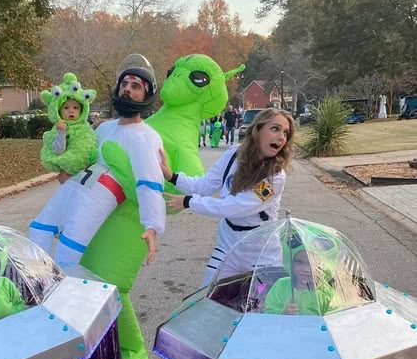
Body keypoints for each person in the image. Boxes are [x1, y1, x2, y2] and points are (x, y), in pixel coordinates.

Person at [29, 55, 165, 266]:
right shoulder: (104, 128)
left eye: (136, 86)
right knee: (38, 229)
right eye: (124, 84)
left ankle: (66, 295)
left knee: (68, 253)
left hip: (100, 197)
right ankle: (37, 283)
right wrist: (67, 170)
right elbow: (83, 154)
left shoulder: (145, 136)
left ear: (146, 95)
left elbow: (150, 181)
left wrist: (153, 225)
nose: (127, 89)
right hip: (76, 186)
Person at [162, 108, 295, 287]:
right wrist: (172, 176)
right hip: (227, 246)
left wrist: (187, 202)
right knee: (207, 298)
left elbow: (233, 207)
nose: (281, 137)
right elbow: (204, 185)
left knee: (259, 309)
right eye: (275, 129)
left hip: (261, 254)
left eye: (285, 133)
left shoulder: (276, 176)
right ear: (258, 130)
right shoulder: (233, 155)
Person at [39, 72, 98, 185]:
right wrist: (61, 133)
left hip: (89, 168)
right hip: (70, 170)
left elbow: (89, 138)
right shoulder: (59, 128)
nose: (71, 110)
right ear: (58, 110)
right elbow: (58, 150)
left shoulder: (84, 126)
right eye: (66, 107)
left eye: (75, 107)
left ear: (82, 110)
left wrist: (95, 126)